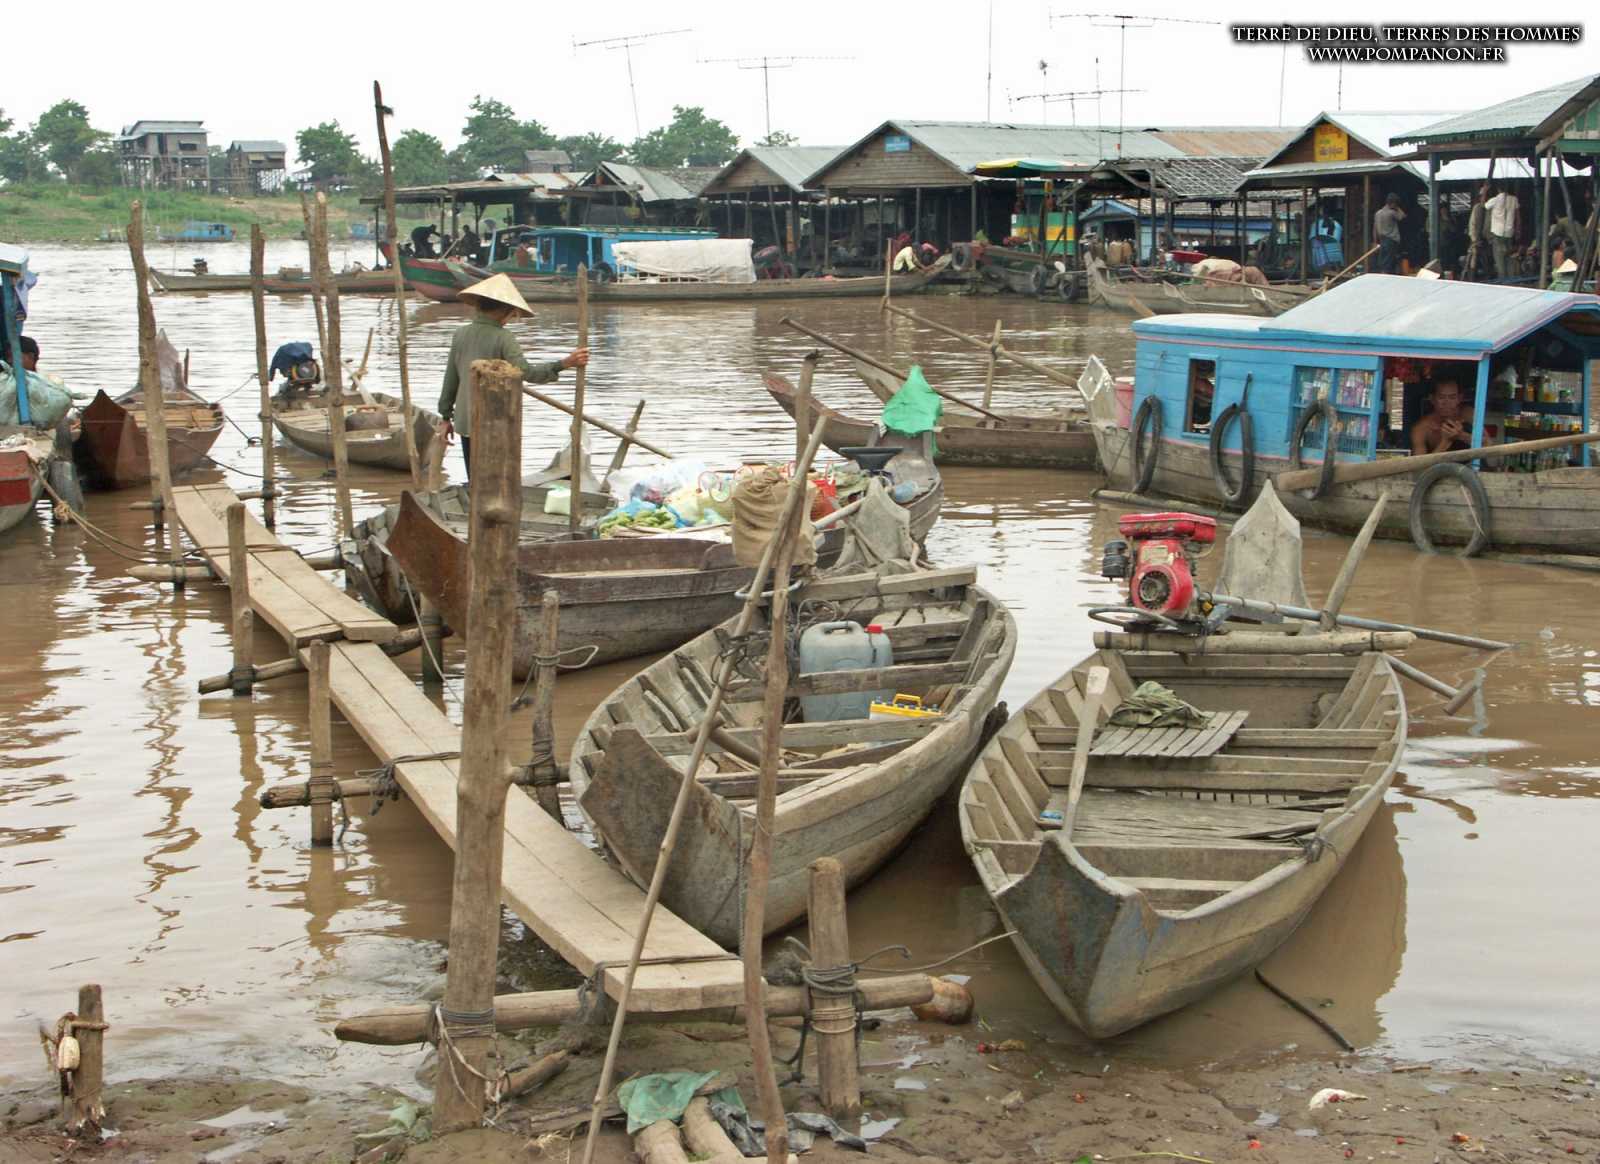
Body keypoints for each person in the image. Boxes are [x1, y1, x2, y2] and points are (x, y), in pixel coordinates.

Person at [438, 273, 589, 481]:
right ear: (505, 311)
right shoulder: (503, 337)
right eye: (511, 314)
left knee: (475, 478)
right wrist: (564, 363)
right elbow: (526, 372)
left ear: (479, 306)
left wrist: (445, 416)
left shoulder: (460, 334)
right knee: (496, 481)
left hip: (465, 419)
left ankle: (474, 498)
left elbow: (451, 379)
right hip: (493, 420)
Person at [1411, 378, 1474, 455]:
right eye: (1441, 397)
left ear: (1459, 398)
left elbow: (1486, 444)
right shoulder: (1421, 428)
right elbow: (1419, 462)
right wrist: (1445, 442)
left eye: (1452, 397)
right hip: (1438, 463)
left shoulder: (1467, 414)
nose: (1447, 403)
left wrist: (1461, 435)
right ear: (1432, 399)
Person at [1485, 182, 1518, 279]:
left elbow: (1484, 205)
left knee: (1499, 259)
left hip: (1497, 234)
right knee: (1509, 258)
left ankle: (1502, 278)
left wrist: (1484, 191)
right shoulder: (1514, 199)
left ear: (1498, 189)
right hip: (1509, 233)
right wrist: (1518, 230)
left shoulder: (1495, 200)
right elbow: (1518, 217)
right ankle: (1511, 279)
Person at [1373, 193, 1404, 275]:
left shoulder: (1378, 213)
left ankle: (1383, 274)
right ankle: (1386, 275)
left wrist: (1375, 241)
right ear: (1393, 203)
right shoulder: (1391, 213)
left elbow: (1375, 229)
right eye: (1396, 204)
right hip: (1391, 239)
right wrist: (1397, 208)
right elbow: (1402, 216)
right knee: (1389, 261)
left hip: (1382, 239)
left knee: (1383, 260)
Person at [1465, 184, 1489, 280]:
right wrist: (1474, 239)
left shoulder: (1489, 208)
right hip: (1476, 237)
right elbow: (1472, 224)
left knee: (1485, 258)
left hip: (1486, 238)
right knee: (1474, 256)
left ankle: (1487, 275)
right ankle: (1472, 277)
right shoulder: (1477, 208)